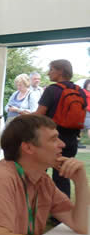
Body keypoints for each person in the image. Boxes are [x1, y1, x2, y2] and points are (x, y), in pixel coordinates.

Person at [35, 59, 88, 197]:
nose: (48, 73)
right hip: (71, 140)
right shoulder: (80, 91)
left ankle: (39, 206)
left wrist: (24, 117)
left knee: (39, 173)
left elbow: (38, 115)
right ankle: (60, 215)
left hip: (50, 140)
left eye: (51, 69)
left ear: (60, 71)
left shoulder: (52, 90)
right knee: (63, 176)